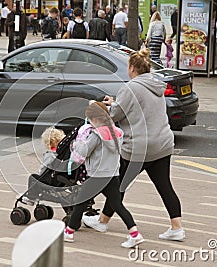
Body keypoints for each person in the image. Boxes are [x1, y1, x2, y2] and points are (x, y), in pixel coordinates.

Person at [83, 48, 185, 242]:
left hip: (138, 147)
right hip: (162, 144)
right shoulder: (156, 84)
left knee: (118, 185)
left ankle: (103, 222)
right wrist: (117, 102)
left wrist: (106, 105)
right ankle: (176, 227)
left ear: (132, 68)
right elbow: (138, 107)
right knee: (165, 186)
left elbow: (114, 115)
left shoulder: (130, 87)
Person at [64, 102, 144, 248]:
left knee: (80, 203)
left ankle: (69, 232)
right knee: (118, 205)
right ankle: (134, 233)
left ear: (95, 119)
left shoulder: (96, 134)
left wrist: (77, 144)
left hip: (96, 175)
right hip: (113, 175)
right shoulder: (117, 132)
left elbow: (84, 152)